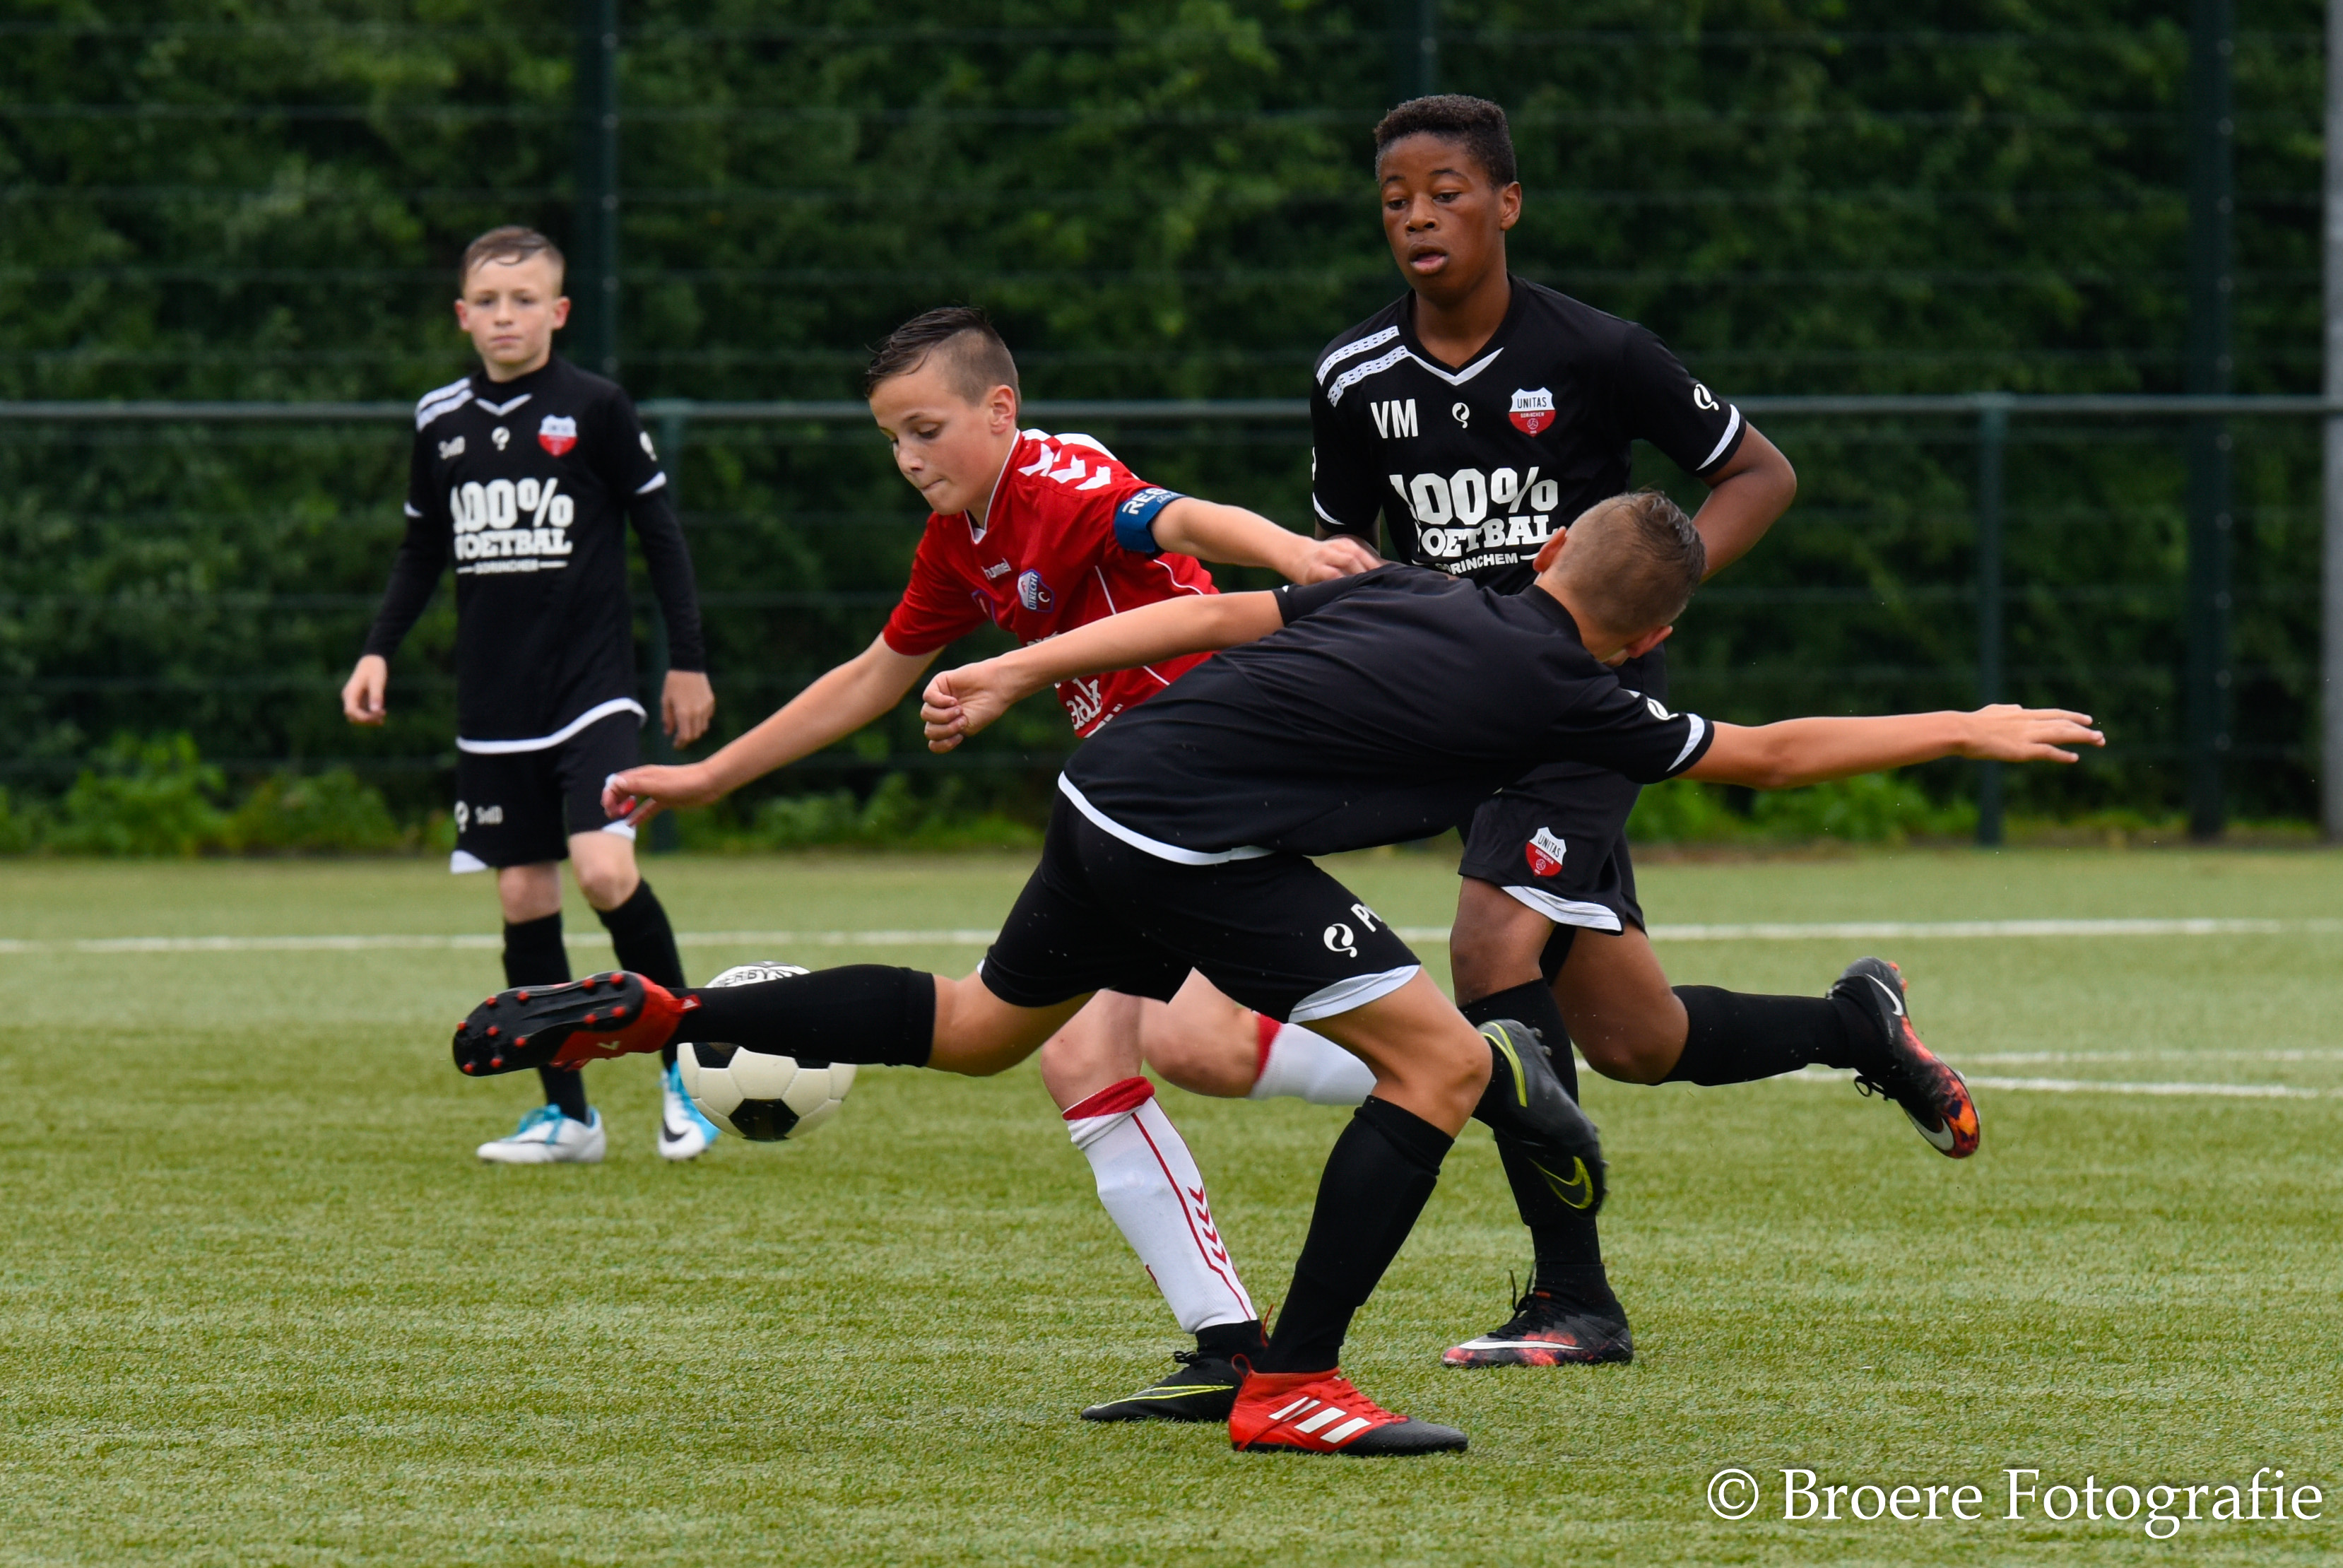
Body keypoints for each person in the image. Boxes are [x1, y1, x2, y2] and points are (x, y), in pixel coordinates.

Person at [452, 489, 2102, 1456]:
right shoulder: (1579, 697)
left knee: (977, 1029)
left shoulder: (1408, 587)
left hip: (1108, 789)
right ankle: (1294, 1383)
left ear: (1551, 555)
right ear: (1645, 632)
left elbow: (1208, 622)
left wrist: (1021, 668)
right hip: (1197, 845)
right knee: (1444, 1066)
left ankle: (674, 1013)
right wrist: (1964, 724)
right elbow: (1771, 750)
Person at [603, 305, 1386, 1420]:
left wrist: (1294, 556)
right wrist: (710, 777)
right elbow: (873, 674)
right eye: (891, 438)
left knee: (1180, 1043)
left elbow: (1172, 517)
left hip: (1209, 762)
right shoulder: (957, 542)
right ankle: (1231, 1340)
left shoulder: (1055, 480)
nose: (908, 458)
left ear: (999, 411)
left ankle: (1465, 1077)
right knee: (1104, 1054)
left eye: (926, 430)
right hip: (1143, 798)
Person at [1311, 95, 1954, 1372]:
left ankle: (1574, 1296)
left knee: (1489, 945)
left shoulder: (1598, 351)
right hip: (1461, 709)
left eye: (1445, 192)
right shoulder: (1353, 375)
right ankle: (1853, 1028)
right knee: (1632, 1039)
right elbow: (1341, 546)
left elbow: (1759, 472)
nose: (1418, 217)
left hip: (1577, 702)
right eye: (1394, 200)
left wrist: (1645, 599)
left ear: (1506, 204)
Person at [342, 225, 719, 1165]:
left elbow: (661, 534)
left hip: (593, 691)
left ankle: (688, 1073)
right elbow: (421, 548)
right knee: (521, 894)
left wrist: (687, 660)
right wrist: (378, 650)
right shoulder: (440, 420)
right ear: (461, 315)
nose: (504, 317)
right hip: (495, 707)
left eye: (524, 300)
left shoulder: (595, 407)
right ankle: (569, 1116)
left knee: (605, 872)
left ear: (558, 311)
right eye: (487, 302)